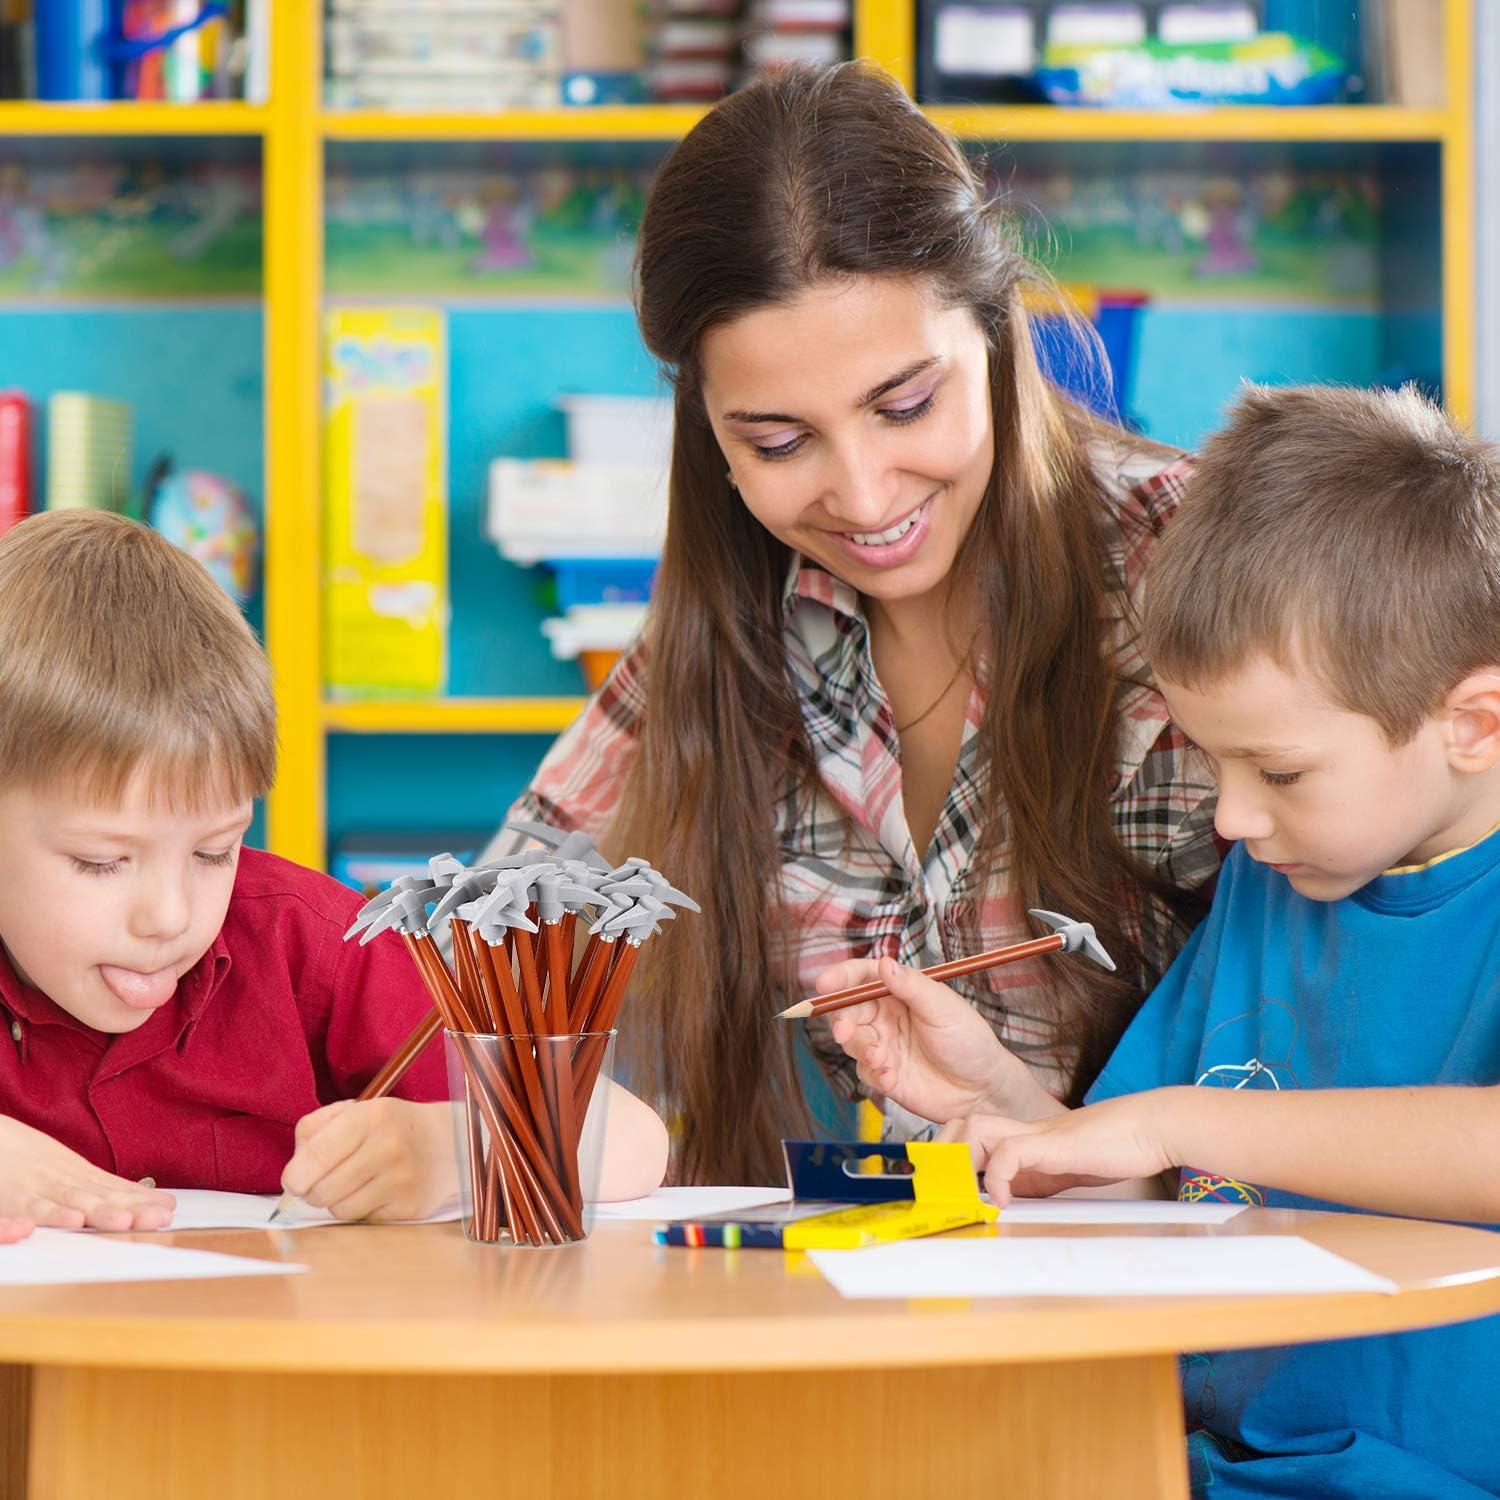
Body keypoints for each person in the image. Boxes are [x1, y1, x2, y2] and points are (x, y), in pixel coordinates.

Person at [492, 61, 1220, 1184]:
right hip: (886, 1312)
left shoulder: (1207, 573)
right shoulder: (732, 620)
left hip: (1213, 1317)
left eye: (907, 405)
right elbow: (491, 941)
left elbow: (1369, 1068)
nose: (867, 499)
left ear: (995, 329)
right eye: (779, 444)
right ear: (711, 435)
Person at [824, 383, 1500, 1498]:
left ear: (1473, 725)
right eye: (1213, 759)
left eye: (1278, 771)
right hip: (1196, 1467)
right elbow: (1164, 1185)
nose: (1229, 817)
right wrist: (1005, 1104)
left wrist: (1180, 1118)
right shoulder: (1274, 880)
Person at [0, 511, 667, 1232]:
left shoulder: (309, 944)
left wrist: (447, 1150)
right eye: (101, 862)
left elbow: (636, 1143)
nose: (169, 915)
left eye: (213, 851)